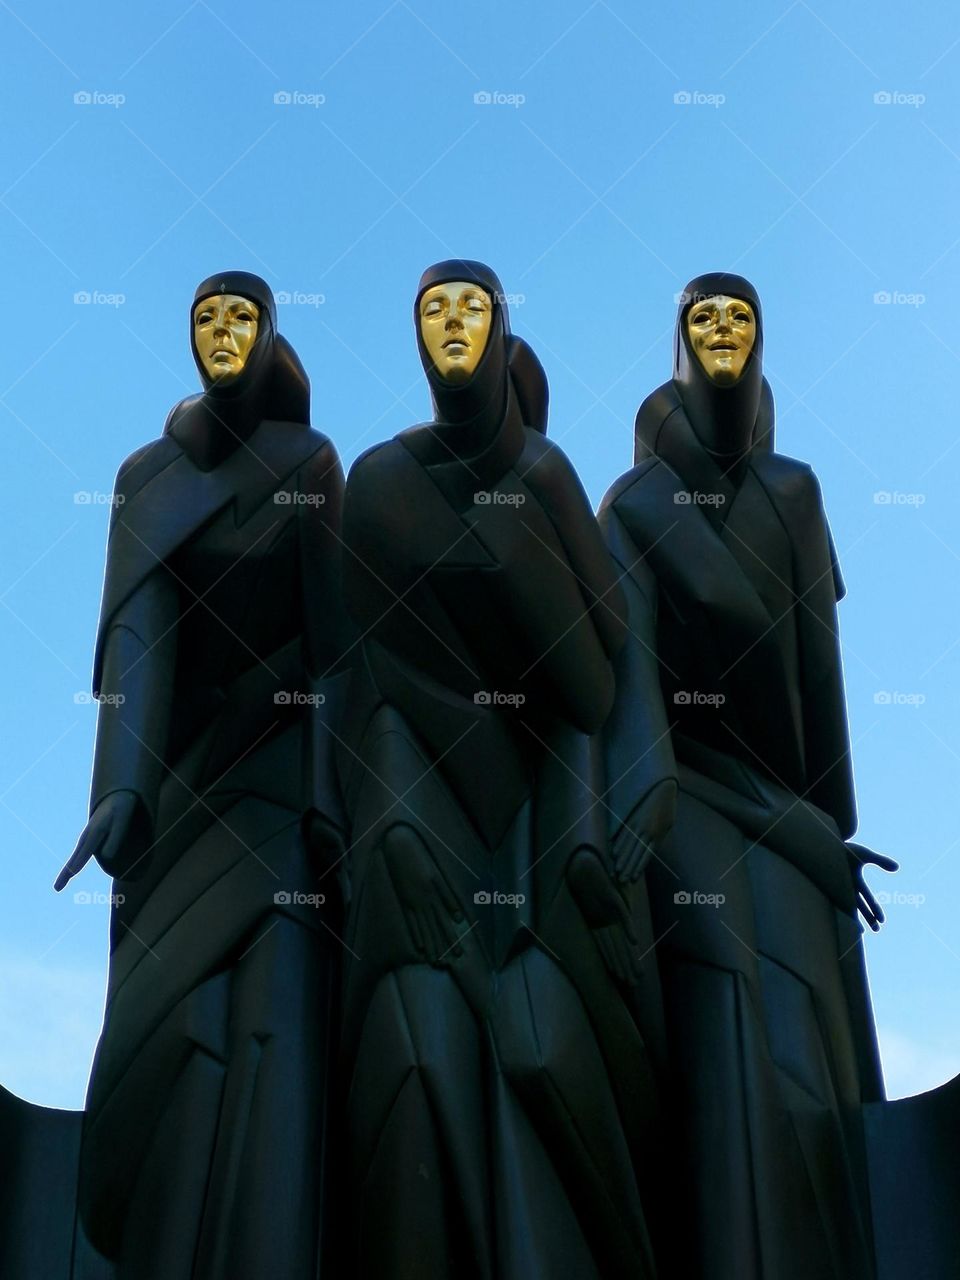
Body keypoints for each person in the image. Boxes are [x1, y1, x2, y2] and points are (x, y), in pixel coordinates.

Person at [336, 260, 664, 1279]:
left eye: (473, 306)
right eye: (433, 305)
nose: (453, 323)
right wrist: (390, 824)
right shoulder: (382, 483)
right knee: (417, 1039)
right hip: (425, 806)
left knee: (542, 1041)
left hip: (543, 820)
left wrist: (577, 853)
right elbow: (369, 678)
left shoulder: (551, 484)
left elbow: (597, 683)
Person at [599, 271, 896, 1280]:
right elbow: (632, 707)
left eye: (741, 318)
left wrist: (825, 828)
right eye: (703, 318)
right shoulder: (632, 506)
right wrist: (646, 795)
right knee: (725, 998)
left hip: (788, 815)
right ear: (678, 348)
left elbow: (822, 689)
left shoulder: (795, 494)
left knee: (806, 1033)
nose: (723, 330)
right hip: (682, 798)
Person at [56, 271, 349, 1280]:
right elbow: (139, 635)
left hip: (277, 786)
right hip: (177, 797)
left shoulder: (309, 460)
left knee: (273, 1014)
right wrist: (119, 790)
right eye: (206, 319)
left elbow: (334, 649)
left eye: (241, 318)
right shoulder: (148, 474)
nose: (222, 333)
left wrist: (327, 800)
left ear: (269, 337)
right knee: (172, 1024)